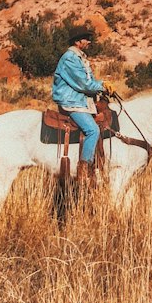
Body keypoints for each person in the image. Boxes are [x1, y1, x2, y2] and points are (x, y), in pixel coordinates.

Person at [52, 25, 107, 184]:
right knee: (92, 130)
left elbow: (89, 82)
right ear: (77, 41)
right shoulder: (70, 58)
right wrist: (102, 85)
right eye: (86, 39)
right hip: (72, 102)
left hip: (80, 101)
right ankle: (84, 169)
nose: (89, 41)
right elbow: (83, 84)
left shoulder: (79, 57)